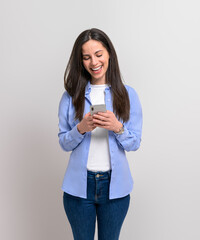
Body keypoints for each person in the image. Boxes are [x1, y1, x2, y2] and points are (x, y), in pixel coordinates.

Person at [58, 28, 143, 240]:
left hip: (115, 188)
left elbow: (134, 143)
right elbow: (63, 142)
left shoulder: (127, 94)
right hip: (79, 188)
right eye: (86, 57)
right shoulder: (70, 97)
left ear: (109, 54)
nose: (94, 62)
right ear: (81, 62)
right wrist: (81, 129)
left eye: (98, 54)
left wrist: (117, 127)